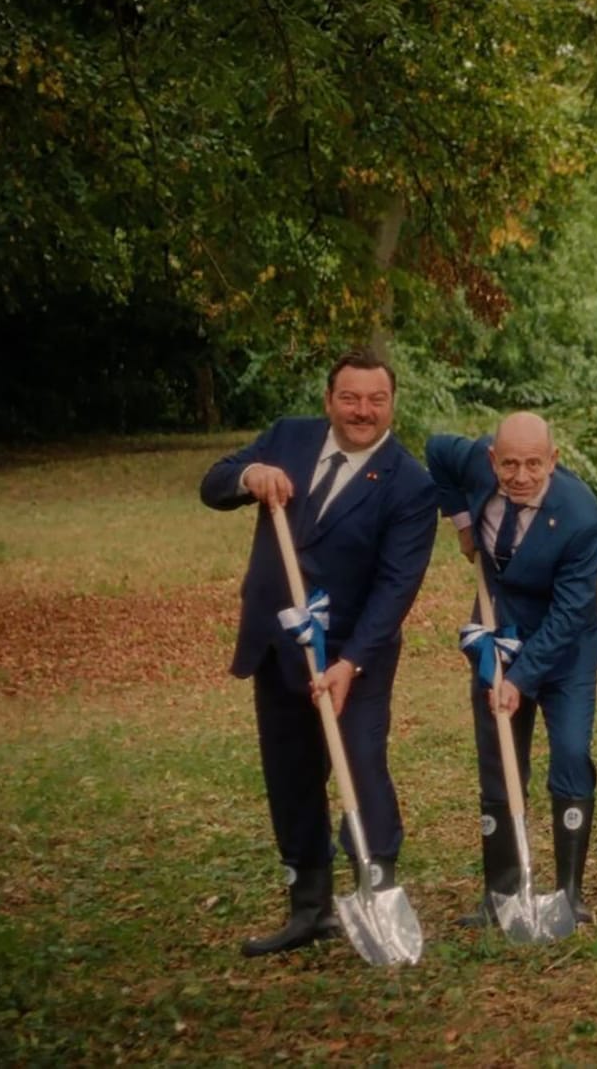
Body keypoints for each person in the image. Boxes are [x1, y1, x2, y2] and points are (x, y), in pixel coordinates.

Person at [199, 349, 438, 956]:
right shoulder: (288, 438)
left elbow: (395, 587)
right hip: (279, 644)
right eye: (351, 398)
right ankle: (309, 907)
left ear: (392, 404)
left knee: (360, 762)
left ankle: (375, 884)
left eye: (376, 399)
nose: (363, 411)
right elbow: (213, 484)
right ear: (330, 399)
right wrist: (248, 476)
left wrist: (348, 662)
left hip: (357, 653)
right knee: (292, 775)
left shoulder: (410, 485)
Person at [427, 413, 597, 924]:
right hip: (497, 632)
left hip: (565, 649)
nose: (521, 475)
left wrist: (523, 678)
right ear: (492, 459)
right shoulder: (477, 466)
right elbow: (438, 448)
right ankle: (501, 894)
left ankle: (569, 894)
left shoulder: (581, 518)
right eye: (509, 464)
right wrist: (462, 523)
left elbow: (571, 612)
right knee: (499, 763)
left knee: (571, 752)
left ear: (553, 459)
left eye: (534, 463)